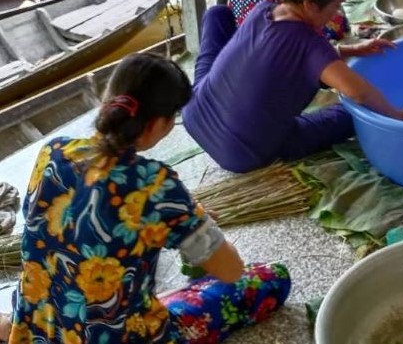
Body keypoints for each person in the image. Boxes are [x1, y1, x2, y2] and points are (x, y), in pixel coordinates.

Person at [2, 54, 290, 344]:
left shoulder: (53, 152)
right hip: (120, 337)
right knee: (271, 278)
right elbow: (230, 270)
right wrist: (197, 222)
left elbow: (66, 230)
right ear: (160, 124)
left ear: (107, 98)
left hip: (38, 330)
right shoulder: (155, 186)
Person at [183, 0, 403, 174]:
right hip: (243, 153)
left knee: (217, 15)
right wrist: (397, 115)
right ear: (311, 5)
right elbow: (359, 93)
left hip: (195, 112)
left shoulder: (261, 10)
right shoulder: (310, 44)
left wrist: (347, 50)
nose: (335, 14)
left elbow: (285, 54)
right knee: (356, 114)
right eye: (335, 7)